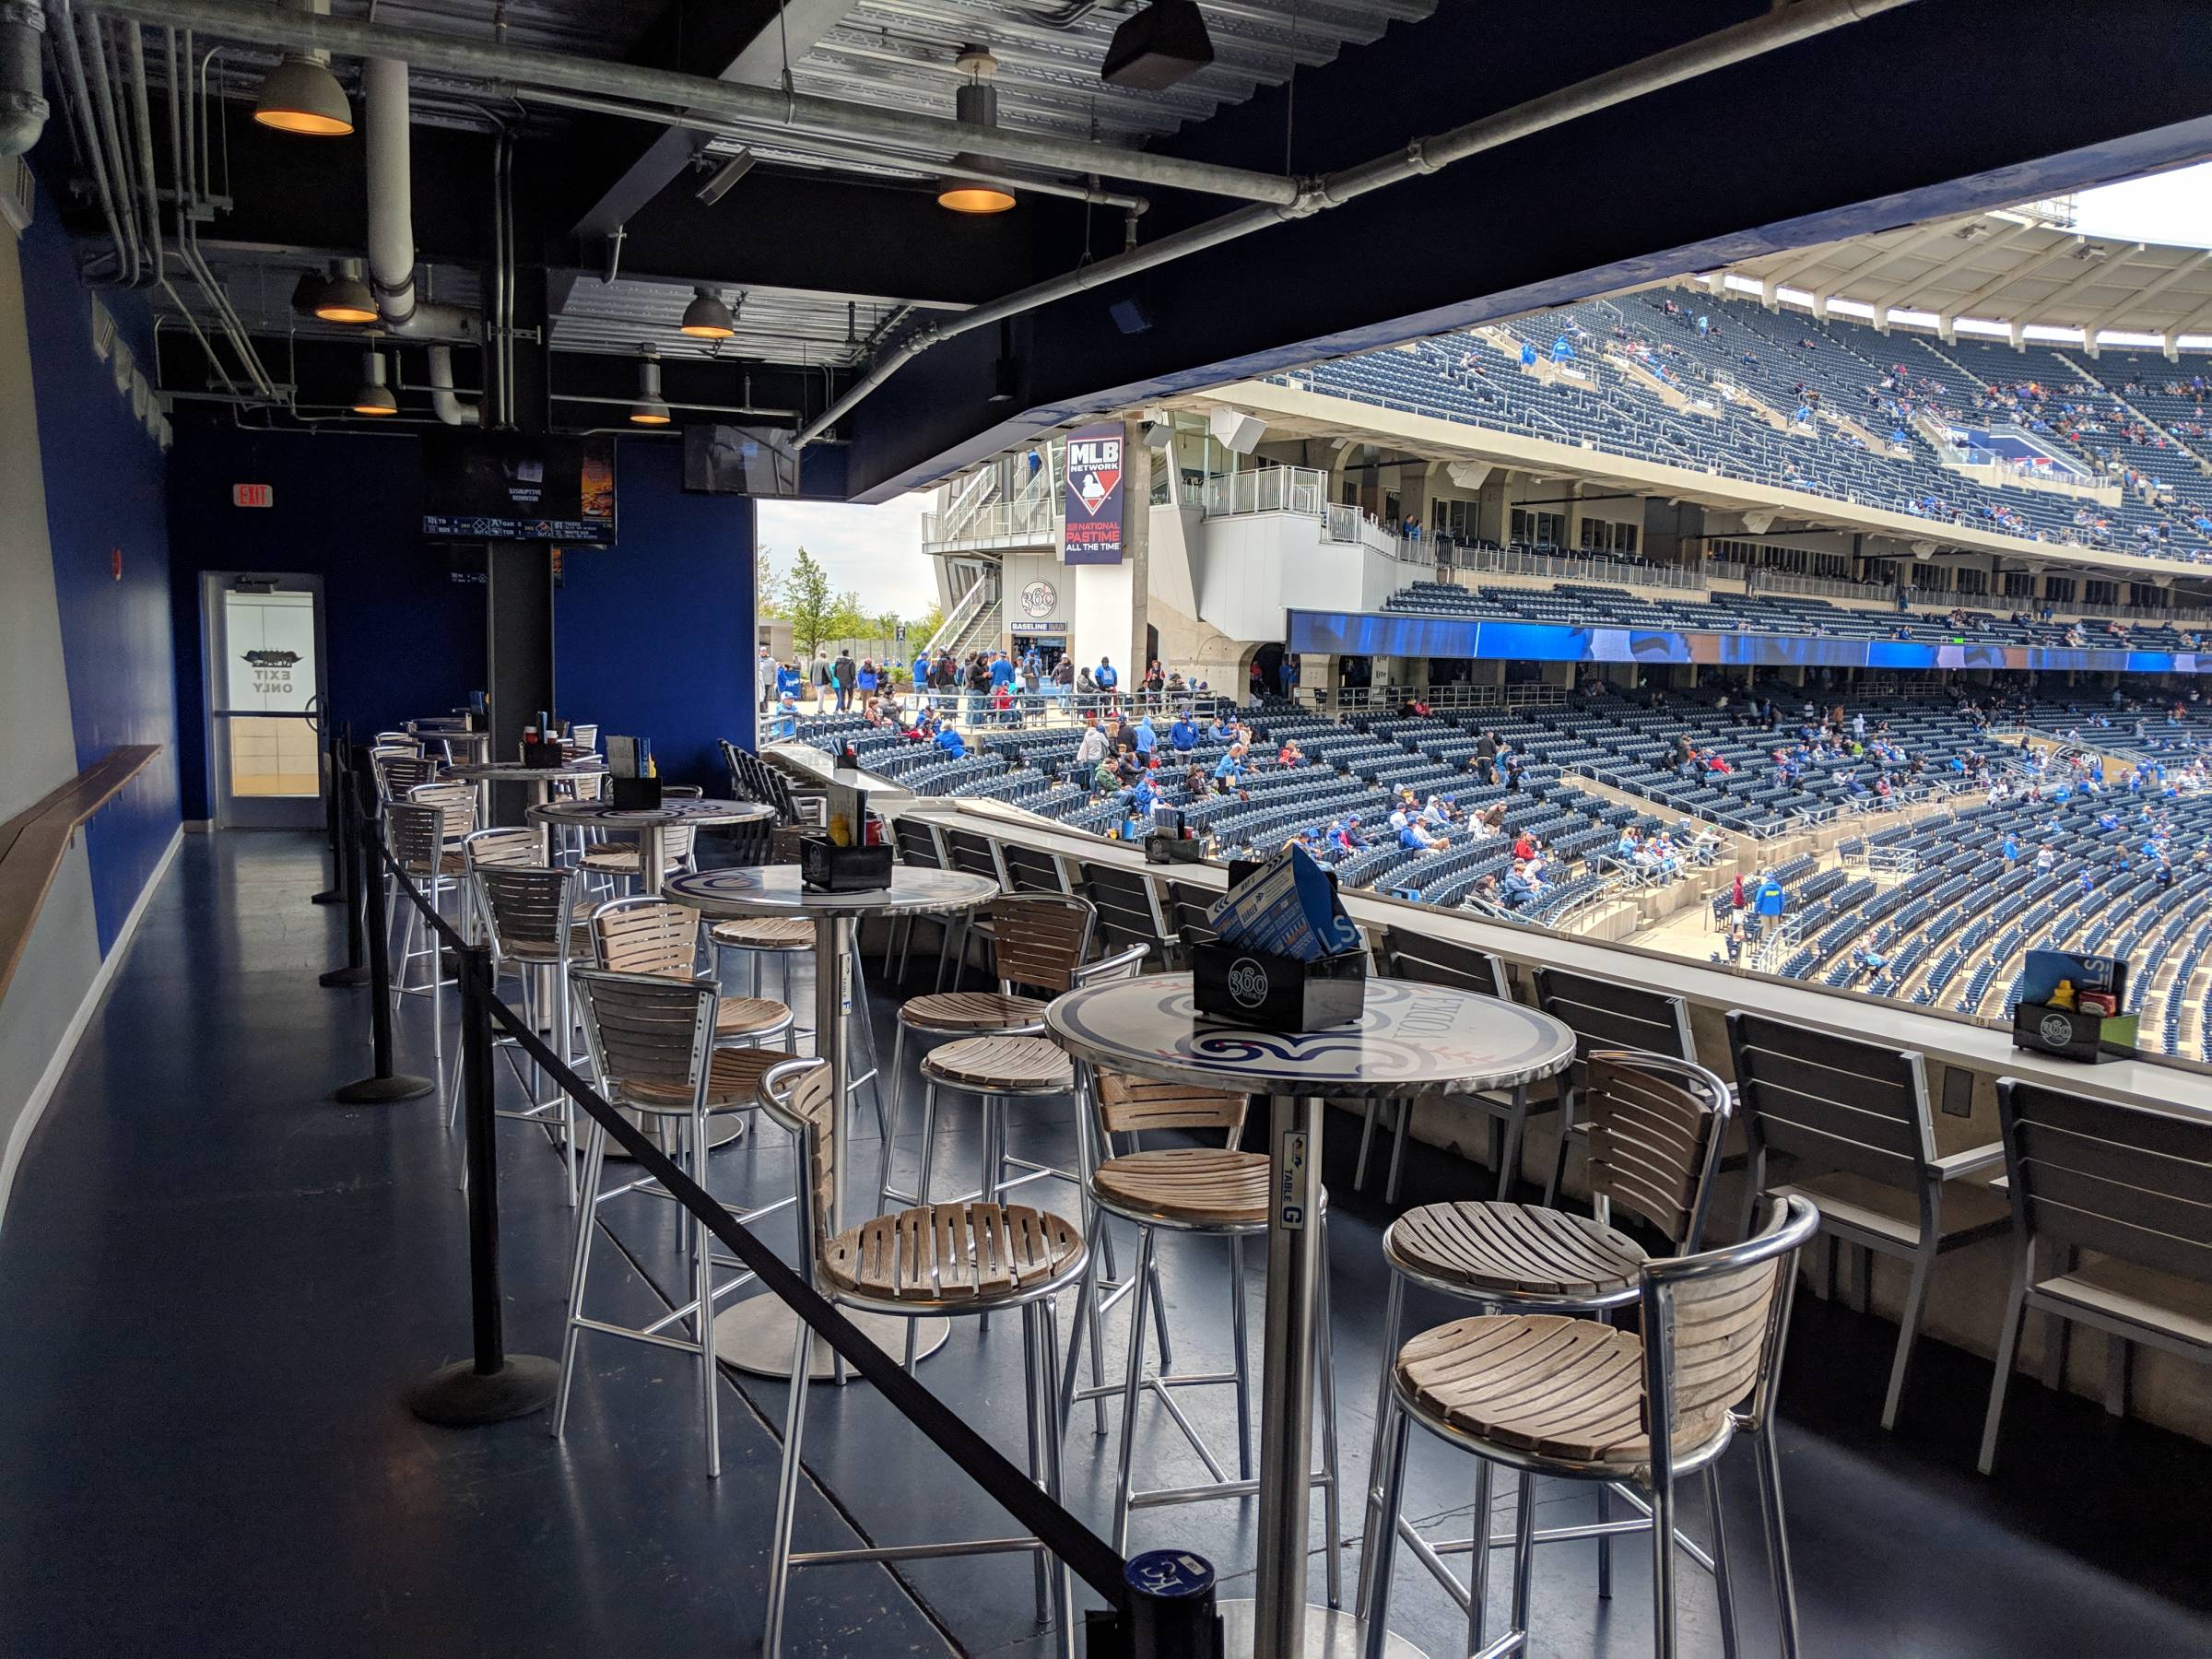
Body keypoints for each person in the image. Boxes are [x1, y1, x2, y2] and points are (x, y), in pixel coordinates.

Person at [830, 649, 857, 713]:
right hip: (849, 681)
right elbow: (852, 671)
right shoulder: (850, 660)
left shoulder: (838, 660)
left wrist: (839, 678)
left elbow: (835, 672)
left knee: (842, 695)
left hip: (841, 681)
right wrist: (853, 678)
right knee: (850, 695)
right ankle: (848, 708)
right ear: (847, 653)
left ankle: (842, 708)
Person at [756, 644, 778, 713]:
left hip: (767, 681)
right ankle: (759, 710)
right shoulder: (757, 659)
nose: (763, 652)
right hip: (758, 681)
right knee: (759, 696)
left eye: (764, 651)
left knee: (765, 696)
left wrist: (774, 681)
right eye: (761, 651)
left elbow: (775, 671)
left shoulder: (771, 660)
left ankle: (765, 711)